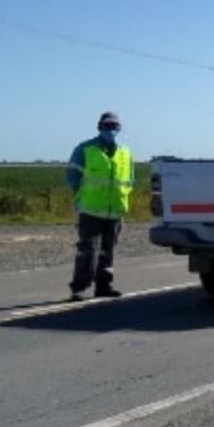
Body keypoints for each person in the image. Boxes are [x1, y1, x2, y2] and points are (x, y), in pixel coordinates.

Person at [65, 111, 134, 300]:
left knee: (108, 251)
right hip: (91, 209)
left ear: (119, 129)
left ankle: (103, 285)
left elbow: (130, 181)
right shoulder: (85, 149)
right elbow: (72, 177)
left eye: (114, 126)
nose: (110, 130)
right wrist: (82, 195)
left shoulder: (125, 152)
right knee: (88, 250)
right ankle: (79, 287)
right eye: (107, 126)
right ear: (99, 127)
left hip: (115, 211)